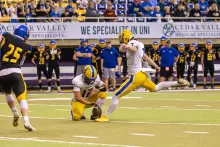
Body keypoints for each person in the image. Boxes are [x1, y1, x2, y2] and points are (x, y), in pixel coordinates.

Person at [95, 29, 189, 122]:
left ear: (126, 37)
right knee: (155, 88)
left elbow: (133, 48)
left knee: (116, 95)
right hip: (141, 74)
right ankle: (177, 83)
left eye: (122, 39)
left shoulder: (133, 43)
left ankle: (105, 116)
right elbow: (146, 57)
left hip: (135, 76)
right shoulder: (139, 44)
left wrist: (126, 46)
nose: (122, 41)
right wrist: (156, 66)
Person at [0, 25, 35, 131]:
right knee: (22, 98)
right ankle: (26, 121)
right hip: (16, 71)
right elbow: (22, 61)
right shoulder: (27, 47)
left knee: (7, 93)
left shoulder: (7, 35)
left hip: (2, 72)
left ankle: (14, 112)